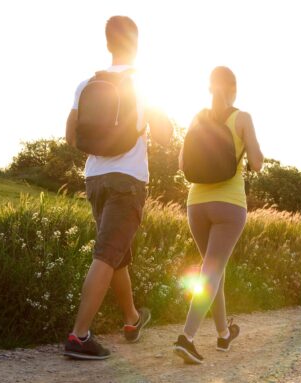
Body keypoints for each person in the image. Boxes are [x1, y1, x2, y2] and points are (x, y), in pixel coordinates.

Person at [63, 15, 173, 360]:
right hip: (128, 180)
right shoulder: (143, 85)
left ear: (108, 44)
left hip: (94, 177)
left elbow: (71, 135)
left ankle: (131, 318)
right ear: (136, 46)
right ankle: (79, 336)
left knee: (116, 255)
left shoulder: (86, 84)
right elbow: (167, 137)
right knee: (107, 255)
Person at [174, 66, 264, 364]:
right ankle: (186, 338)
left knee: (214, 271)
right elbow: (257, 163)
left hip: (196, 204)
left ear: (210, 88)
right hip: (229, 205)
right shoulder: (243, 118)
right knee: (211, 272)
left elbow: (182, 160)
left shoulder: (197, 117)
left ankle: (224, 334)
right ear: (233, 89)